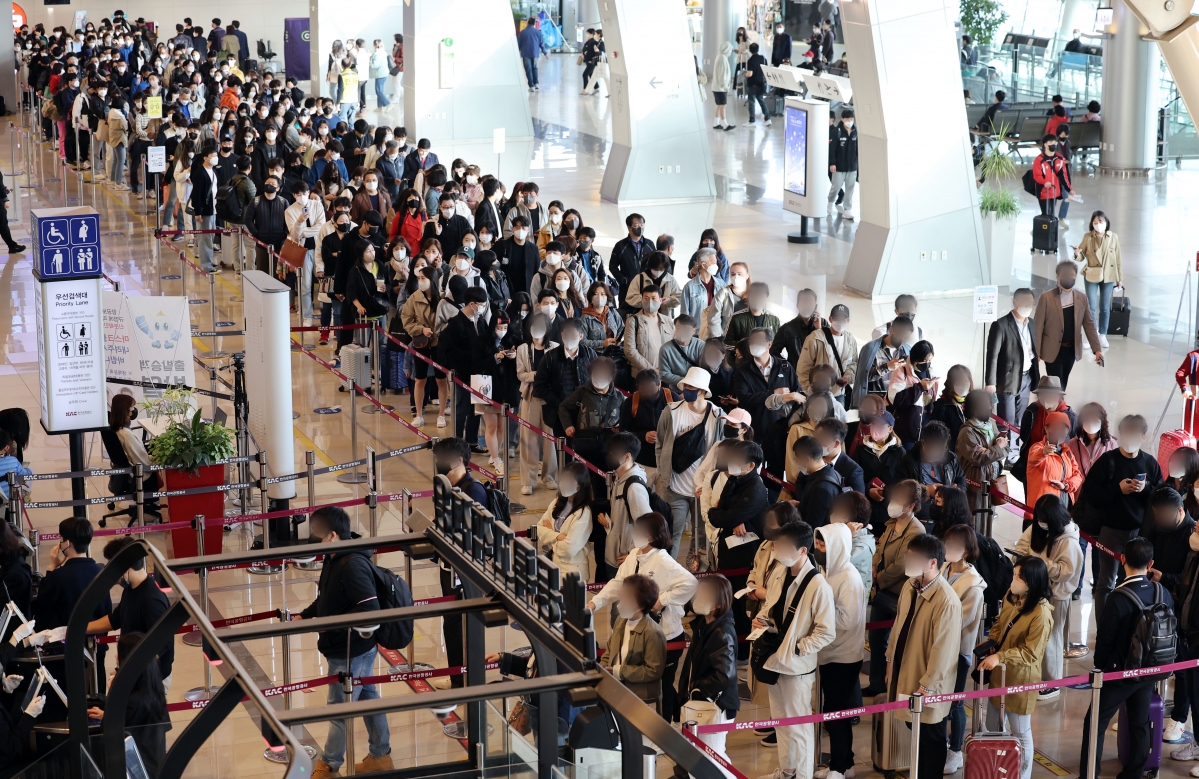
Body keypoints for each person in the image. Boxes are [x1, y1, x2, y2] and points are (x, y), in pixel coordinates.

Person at [295, 506, 392, 779]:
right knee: (369, 699)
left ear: (333, 535)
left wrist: (332, 624)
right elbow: (328, 596)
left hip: (351, 650)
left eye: (317, 532)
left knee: (339, 709)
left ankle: (329, 765)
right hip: (347, 647)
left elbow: (370, 608)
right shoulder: (333, 556)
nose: (313, 536)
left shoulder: (352, 565)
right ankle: (381, 755)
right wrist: (308, 613)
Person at [1079, 537, 1172, 779]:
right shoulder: (1162, 592)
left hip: (1119, 674)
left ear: (1122, 560)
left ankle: (1089, 773)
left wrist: (1100, 670)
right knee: (1139, 723)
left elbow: (1105, 640)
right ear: (1150, 563)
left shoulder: (1119, 597)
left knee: (1095, 723)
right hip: (1150, 671)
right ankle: (1134, 772)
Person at [591, 511, 698, 720]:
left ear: (651, 535)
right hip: (640, 631)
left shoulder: (663, 561)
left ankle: (668, 728)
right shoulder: (634, 556)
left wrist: (663, 600)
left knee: (664, 686)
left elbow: (691, 583)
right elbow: (618, 583)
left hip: (664, 635)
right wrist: (596, 602)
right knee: (652, 685)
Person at [751, 520, 834, 779]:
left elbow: (826, 632)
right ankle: (787, 770)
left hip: (796, 666)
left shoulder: (818, 585)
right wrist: (762, 621)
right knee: (780, 721)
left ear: (801, 551)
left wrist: (797, 648)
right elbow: (772, 606)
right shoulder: (779, 572)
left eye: (784, 546)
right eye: (777, 545)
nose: (778, 550)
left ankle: (804, 774)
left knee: (800, 726)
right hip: (774, 658)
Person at [883, 533, 962, 779]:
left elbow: (944, 650)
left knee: (931, 736)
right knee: (913, 728)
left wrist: (928, 686)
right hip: (905, 670)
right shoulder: (910, 585)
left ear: (932, 563)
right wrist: (888, 660)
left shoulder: (947, 600)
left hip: (928, 683)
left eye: (916, 558)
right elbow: (898, 627)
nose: (911, 561)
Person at [975, 556, 1052, 779]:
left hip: (1020, 679)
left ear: (1033, 581)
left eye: (1020, 577)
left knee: (1020, 730)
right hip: (999, 672)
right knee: (992, 726)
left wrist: (1000, 655)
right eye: (1014, 574)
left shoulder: (1041, 613)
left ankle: (1023, 773)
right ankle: (997, 769)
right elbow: (1000, 622)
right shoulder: (1012, 596)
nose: (1014, 580)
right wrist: (993, 642)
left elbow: (1031, 653)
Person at [1080, 414, 1163, 617]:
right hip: (1111, 532)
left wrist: (1145, 489)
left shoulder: (1150, 463)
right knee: (1106, 584)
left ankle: (1129, 630)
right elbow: (1090, 494)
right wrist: (1117, 490)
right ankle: (1103, 631)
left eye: (1135, 434)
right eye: (1126, 433)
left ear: (1144, 437)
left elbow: (1161, 496)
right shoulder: (1108, 461)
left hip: (1140, 533)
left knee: (1133, 583)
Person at [1014, 495, 1083, 702]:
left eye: (1044, 519)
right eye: (1039, 518)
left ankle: (1052, 683)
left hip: (1056, 595)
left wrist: (1041, 564)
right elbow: (1020, 548)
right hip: (1035, 590)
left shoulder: (1068, 539)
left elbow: (1065, 572)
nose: (1041, 523)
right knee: (1033, 635)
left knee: (1051, 638)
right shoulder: (1036, 528)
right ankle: (1034, 676)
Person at [654, 367, 725, 558]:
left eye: (691, 386)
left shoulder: (717, 416)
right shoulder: (671, 411)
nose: (686, 390)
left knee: (702, 537)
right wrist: (663, 475)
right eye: (685, 385)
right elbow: (660, 443)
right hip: (675, 487)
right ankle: (667, 574)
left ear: (702, 390)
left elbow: (722, 450)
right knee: (671, 534)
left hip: (703, 490)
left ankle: (699, 577)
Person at [85, 537, 174, 688]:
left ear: (125, 569)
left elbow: (160, 646)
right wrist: (79, 628)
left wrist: (127, 672)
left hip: (150, 679)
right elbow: (116, 618)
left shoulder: (151, 600)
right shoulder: (131, 589)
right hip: (135, 670)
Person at [813, 522, 865, 779]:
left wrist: (819, 615)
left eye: (823, 543)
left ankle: (840, 768)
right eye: (818, 542)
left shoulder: (848, 577)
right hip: (829, 653)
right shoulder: (827, 570)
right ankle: (844, 762)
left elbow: (848, 620)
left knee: (837, 713)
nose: (818, 548)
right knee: (834, 711)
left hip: (843, 656)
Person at [675, 574, 739, 776]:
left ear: (717, 601)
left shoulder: (722, 632)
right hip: (702, 703)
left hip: (715, 706)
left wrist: (698, 689)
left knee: (712, 759)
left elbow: (724, 675)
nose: (696, 598)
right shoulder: (704, 625)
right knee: (712, 757)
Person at [939, 523, 986, 774]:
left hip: (957, 651)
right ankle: (943, 744)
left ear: (966, 551)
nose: (949, 549)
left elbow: (960, 620)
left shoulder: (973, 584)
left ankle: (955, 750)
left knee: (955, 702)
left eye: (955, 545)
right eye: (947, 544)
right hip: (937, 647)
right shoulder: (944, 568)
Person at [985, 288, 1038, 460]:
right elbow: (992, 355)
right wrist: (990, 383)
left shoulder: (1032, 323)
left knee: (1020, 419)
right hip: (1006, 380)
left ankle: (1014, 453)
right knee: (1005, 420)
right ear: (1014, 302)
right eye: (1023, 303)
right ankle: (1004, 452)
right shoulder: (1000, 325)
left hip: (1027, 377)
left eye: (1030, 304)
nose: (1027, 307)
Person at [1034, 260, 1103, 389]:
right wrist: (1036, 352)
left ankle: (1058, 408)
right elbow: (1038, 327)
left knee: (1063, 383)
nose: (1068, 278)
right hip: (1052, 350)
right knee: (1056, 387)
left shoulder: (1082, 298)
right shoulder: (1046, 298)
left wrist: (1097, 349)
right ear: (1057, 277)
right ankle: (1057, 407)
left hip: (1071, 350)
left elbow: (1089, 324)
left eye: (1071, 275)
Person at [602, 572, 667, 710]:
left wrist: (618, 671)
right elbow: (609, 651)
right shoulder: (621, 621)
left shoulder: (652, 632)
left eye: (627, 596)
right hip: (617, 693)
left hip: (641, 699)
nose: (621, 600)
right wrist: (602, 670)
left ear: (640, 605)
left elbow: (653, 670)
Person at [600, 433, 654, 582]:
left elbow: (649, 526)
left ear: (627, 456)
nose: (609, 456)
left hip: (624, 561)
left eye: (613, 453)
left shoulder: (634, 487)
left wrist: (633, 554)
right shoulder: (619, 479)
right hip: (615, 555)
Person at [400, 265, 449, 428]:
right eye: (418, 278)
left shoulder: (443, 298)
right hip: (420, 342)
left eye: (423, 278)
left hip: (439, 344)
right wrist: (421, 329)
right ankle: (419, 414)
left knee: (441, 380)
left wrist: (437, 330)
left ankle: (441, 414)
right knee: (419, 379)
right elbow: (406, 320)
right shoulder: (414, 297)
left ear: (432, 280)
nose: (420, 281)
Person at [472, 311, 521, 474]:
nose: (502, 330)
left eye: (505, 327)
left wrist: (513, 357)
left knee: (501, 426)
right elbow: (475, 365)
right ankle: (496, 457)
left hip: (505, 389)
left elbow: (517, 370)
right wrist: (494, 358)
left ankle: (494, 455)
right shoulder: (480, 341)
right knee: (491, 426)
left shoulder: (511, 340)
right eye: (499, 327)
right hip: (487, 389)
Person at [734, 327, 801, 444]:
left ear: (769, 344)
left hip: (782, 431)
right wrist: (773, 394)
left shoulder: (784, 367)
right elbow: (744, 399)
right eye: (752, 341)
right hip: (754, 432)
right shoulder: (742, 371)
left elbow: (798, 395)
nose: (754, 344)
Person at [559, 356, 622, 480]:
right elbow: (563, 407)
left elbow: (626, 416)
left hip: (609, 447)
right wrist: (568, 426)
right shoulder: (581, 392)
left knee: (608, 481)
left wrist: (621, 426)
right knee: (586, 480)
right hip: (585, 445)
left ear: (610, 377)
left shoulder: (619, 396)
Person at [516, 313, 558, 495]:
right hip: (530, 396)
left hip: (549, 398)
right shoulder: (523, 349)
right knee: (528, 440)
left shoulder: (556, 347)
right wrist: (535, 375)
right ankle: (528, 480)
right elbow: (520, 374)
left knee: (550, 439)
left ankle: (549, 476)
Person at [894, 421, 968, 522]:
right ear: (923, 443)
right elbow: (901, 491)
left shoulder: (951, 458)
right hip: (921, 518)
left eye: (942, 448)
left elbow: (961, 479)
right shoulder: (908, 462)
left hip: (947, 514)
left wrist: (955, 492)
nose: (939, 453)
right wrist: (926, 491)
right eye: (935, 449)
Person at [533, 318, 595, 437]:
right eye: (566, 334)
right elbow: (539, 388)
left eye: (573, 335)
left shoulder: (590, 355)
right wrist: (560, 404)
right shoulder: (550, 357)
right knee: (563, 451)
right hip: (559, 414)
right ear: (561, 334)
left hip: (586, 413)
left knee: (585, 451)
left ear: (581, 336)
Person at [534, 463, 594, 581]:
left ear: (579, 485)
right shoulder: (557, 502)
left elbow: (568, 550)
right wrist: (559, 536)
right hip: (554, 563)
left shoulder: (583, 513)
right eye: (563, 479)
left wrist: (550, 535)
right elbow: (540, 527)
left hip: (573, 570)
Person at [1072, 210, 1122, 349]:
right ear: (1091, 224)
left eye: (1100, 222)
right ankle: (1091, 336)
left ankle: (1102, 335)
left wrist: (1120, 278)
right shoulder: (1088, 237)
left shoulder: (1113, 237)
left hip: (1109, 275)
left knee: (1105, 307)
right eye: (1095, 222)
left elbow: (1118, 259)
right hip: (1092, 274)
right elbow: (1081, 256)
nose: (1098, 225)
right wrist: (1077, 253)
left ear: (1106, 222)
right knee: (1091, 307)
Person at [852, 409, 907, 531]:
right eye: (873, 424)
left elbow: (902, 480)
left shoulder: (899, 452)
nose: (875, 427)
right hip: (865, 507)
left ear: (890, 429)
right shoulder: (861, 450)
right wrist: (868, 490)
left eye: (881, 425)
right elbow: (854, 477)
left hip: (889, 509)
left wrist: (886, 492)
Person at [1015, 376, 1076, 483]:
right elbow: (1025, 436)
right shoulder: (1031, 410)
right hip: (1033, 468)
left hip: (1057, 473)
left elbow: (1073, 444)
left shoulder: (1071, 417)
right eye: (1043, 394)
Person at [956, 389, 1008, 511]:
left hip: (991, 480)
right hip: (975, 482)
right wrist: (997, 447)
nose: (989, 407)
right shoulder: (967, 431)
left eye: (989, 404)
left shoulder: (991, 424)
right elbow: (978, 459)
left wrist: (991, 450)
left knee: (989, 515)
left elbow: (1006, 449)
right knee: (975, 516)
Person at [795, 305, 856, 402]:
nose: (840, 321)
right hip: (817, 394)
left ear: (848, 320)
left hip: (839, 395)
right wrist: (809, 391)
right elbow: (803, 368)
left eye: (843, 319)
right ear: (830, 319)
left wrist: (847, 377)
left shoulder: (850, 340)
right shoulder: (815, 338)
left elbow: (853, 364)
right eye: (837, 318)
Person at [1025, 411, 1083, 513]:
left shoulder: (1067, 452)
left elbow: (1078, 476)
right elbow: (1034, 459)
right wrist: (1044, 452)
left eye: (1063, 428)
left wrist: (1065, 485)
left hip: (1064, 510)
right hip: (1042, 511)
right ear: (1046, 429)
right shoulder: (1037, 447)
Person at [851, 315, 913, 406]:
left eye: (906, 337)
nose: (903, 339)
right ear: (891, 330)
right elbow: (862, 378)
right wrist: (886, 367)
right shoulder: (870, 349)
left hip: (895, 402)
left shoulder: (907, 350)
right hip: (874, 404)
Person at [791, 435, 841, 527]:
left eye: (797, 461)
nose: (798, 465)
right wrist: (800, 504)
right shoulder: (830, 472)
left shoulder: (821, 489)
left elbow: (812, 526)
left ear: (806, 459)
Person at [815, 417, 864, 493]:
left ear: (836, 443)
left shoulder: (853, 471)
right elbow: (800, 484)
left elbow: (857, 503)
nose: (817, 442)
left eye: (822, 439)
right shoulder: (814, 458)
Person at [1031, 133, 1072, 217]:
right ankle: (1041, 228)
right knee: (1046, 214)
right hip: (1043, 191)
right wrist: (1044, 182)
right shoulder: (1039, 160)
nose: (1053, 145)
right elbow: (1037, 176)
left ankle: (1050, 228)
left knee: (1052, 214)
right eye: (1051, 143)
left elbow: (1063, 176)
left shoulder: (1059, 158)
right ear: (1045, 144)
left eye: (1055, 143)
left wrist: (1069, 189)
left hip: (1054, 191)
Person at [827, 109, 857, 219]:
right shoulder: (837, 132)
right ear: (843, 119)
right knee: (836, 187)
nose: (850, 121)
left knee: (850, 187)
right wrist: (832, 163)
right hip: (839, 167)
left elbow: (858, 149)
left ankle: (847, 210)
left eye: (852, 119)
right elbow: (832, 149)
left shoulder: (855, 132)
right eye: (848, 119)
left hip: (852, 167)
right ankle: (830, 202)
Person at [743, 43, 771, 126]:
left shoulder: (751, 60)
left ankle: (752, 120)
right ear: (758, 50)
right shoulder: (763, 59)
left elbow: (749, 74)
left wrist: (745, 74)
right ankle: (767, 118)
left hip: (753, 84)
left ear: (750, 50)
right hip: (761, 84)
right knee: (761, 101)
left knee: (751, 102)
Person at [517, 19, 548, 92]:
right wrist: (545, 53)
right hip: (535, 53)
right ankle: (536, 83)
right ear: (534, 24)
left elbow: (518, 44)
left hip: (526, 53)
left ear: (527, 23)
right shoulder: (538, 32)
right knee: (534, 68)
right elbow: (542, 44)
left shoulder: (522, 32)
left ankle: (531, 86)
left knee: (528, 69)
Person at [711, 41, 735, 131]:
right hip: (720, 87)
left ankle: (716, 123)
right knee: (723, 105)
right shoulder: (722, 58)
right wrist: (725, 85)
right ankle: (725, 124)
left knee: (720, 105)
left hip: (717, 87)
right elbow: (722, 74)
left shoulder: (720, 56)